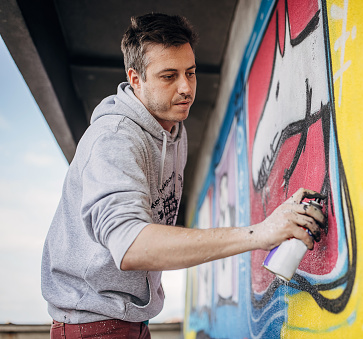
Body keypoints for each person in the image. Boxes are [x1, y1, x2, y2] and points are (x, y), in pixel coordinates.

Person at [41, 13, 326, 338]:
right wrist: (260, 234)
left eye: (190, 72)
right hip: (90, 326)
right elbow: (131, 246)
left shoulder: (174, 129)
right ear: (135, 79)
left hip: (130, 322)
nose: (186, 88)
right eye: (168, 76)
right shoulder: (114, 139)